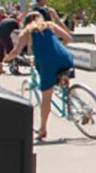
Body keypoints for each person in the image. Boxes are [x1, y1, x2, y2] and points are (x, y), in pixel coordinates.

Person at [8, 11, 79, 141]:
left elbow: (16, 51)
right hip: (65, 57)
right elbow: (68, 38)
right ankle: (79, 107)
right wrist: (58, 48)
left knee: (46, 97)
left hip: (47, 63)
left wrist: (6, 59)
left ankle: (43, 129)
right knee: (64, 81)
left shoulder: (26, 32)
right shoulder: (49, 25)